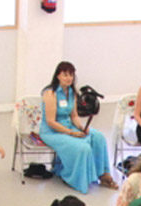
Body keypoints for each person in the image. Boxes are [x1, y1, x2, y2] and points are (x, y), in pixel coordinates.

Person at [40, 62, 118, 194]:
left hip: (69, 126)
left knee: (98, 137)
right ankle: (72, 178)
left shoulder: (72, 92)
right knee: (83, 147)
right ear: (58, 76)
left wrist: (82, 127)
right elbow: (51, 121)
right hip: (52, 132)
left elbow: (74, 115)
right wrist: (71, 133)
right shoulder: (50, 94)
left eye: (71, 75)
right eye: (65, 75)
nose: (69, 78)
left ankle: (103, 174)